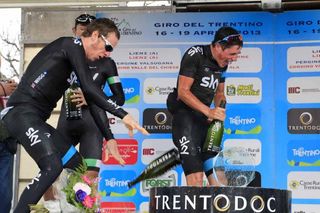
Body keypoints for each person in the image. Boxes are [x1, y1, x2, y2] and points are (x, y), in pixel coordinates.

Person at [1, 18, 148, 213]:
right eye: (108, 47)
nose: (107, 53)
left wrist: (109, 137)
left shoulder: (80, 62)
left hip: (35, 118)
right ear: (95, 35)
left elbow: (92, 97)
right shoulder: (70, 45)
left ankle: (67, 209)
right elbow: (89, 87)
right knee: (52, 166)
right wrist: (124, 115)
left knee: (78, 166)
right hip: (20, 113)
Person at [43, 14, 125, 211]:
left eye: (88, 29)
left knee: (89, 176)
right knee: (49, 170)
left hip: (92, 125)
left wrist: (92, 98)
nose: (84, 33)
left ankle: (79, 209)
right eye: (81, 29)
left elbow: (119, 98)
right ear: (75, 32)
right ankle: (52, 208)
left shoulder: (106, 63)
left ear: (95, 35)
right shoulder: (65, 57)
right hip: (66, 122)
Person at [166, 26, 243, 186]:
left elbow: (220, 93)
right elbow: (183, 92)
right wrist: (209, 111)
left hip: (204, 121)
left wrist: (219, 113)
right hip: (185, 119)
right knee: (196, 178)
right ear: (218, 46)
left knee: (219, 179)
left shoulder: (223, 62)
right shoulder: (196, 55)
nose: (234, 58)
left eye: (237, 54)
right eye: (232, 53)